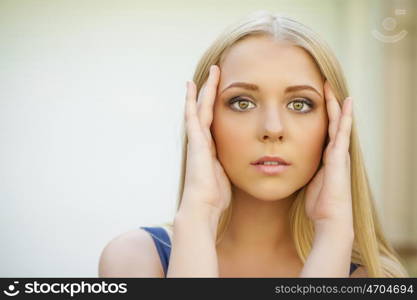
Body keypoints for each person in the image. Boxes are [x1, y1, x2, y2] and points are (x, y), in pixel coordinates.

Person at [98, 10, 408, 278]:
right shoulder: (135, 260)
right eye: (242, 102)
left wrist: (333, 234)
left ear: (333, 124)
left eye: (300, 104)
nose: (272, 129)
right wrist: (198, 216)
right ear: (204, 120)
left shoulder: (375, 278)